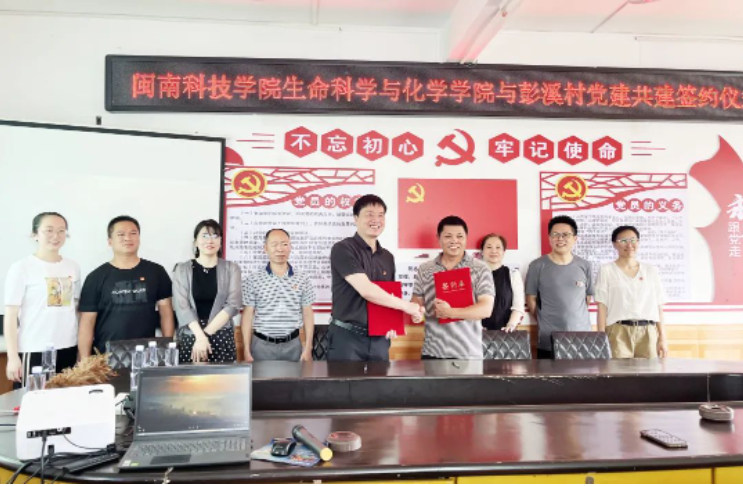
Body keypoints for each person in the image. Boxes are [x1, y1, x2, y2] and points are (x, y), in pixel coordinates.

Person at [328, 194, 424, 361]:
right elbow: (367, 290)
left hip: (380, 340)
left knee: (380, 379)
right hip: (347, 338)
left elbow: (387, 296)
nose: (376, 220)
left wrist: (392, 323)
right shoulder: (343, 249)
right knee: (344, 380)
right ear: (356, 218)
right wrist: (407, 307)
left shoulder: (387, 257)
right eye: (370, 214)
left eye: (381, 215)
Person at [78, 216, 174, 358]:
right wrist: (85, 361)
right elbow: (87, 321)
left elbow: (166, 312)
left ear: (139, 238)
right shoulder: (95, 277)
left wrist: (167, 349)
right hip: (105, 356)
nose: (128, 238)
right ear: (110, 241)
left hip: (146, 354)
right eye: (121, 234)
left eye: (133, 233)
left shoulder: (156, 272)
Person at [4, 212, 80, 386]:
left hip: (68, 346)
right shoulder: (21, 268)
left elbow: (75, 309)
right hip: (34, 348)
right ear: (35, 234)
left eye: (61, 231)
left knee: (67, 398)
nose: (56, 236)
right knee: (33, 398)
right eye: (49, 230)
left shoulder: (73, 267)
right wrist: (13, 356)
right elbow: (11, 315)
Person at [411, 216, 495, 359]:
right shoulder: (425, 269)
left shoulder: (480, 268)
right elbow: (416, 300)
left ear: (466, 238)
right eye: (448, 236)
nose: (454, 241)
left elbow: (486, 309)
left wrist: (450, 312)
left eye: (460, 236)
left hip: (468, 354)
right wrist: (416, 311)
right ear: (438, 238)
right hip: (433, 351)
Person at [172, 220, 242, 363]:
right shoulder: (182, 269)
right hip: (191, 334)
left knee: (223, 378)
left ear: (220, 242)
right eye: (204, 236)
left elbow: (233, 305)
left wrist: (204, 336)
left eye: (215, 236)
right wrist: (200, 337)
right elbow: (182, 306)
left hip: (221, 335)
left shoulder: (232, 268)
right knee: (190, 377)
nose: (210, 240)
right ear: (195, 242)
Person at [525, 215, 593, 359]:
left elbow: (587, 298)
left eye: (565, 234)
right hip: (548, 338)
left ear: (575, 238)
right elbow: (531, 299)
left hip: (581, 338)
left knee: (583, 373)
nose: (560, 238)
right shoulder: (537, 266)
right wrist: (545, 320)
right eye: (555, 234)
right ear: (549, 238)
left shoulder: (585, 266)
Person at [241, 229, 315, 362]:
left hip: (293, 345)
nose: (280, 249)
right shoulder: (252, 279)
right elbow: (247, 315)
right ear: (266, 248)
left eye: (284, 244)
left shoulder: (302, 279)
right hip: (262, 346)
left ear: (290, 247)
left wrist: (308, 347)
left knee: (294, 377)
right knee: (260, 377)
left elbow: (308, 313)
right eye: (274, 244)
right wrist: (246, 350)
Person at [595, 225, 668, 358]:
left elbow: (659, 306)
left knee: (650, 370)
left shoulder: (651, 270)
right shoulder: (606, 270)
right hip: (618, 332)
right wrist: (601, 338)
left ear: (638, 242)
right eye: (623, 240)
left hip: (648, 332)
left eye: (633, 240)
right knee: (617, 370)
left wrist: (662, 338)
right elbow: (602, 306)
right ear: (614, 244)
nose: (629, 244)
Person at [479, 234, 525, 332]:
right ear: (482, 251)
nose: (493, 251)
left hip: (505, 333)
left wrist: (511, 325)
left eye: (498, 247)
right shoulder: (475, 275)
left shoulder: (513, 274)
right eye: (489, 247)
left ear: (504, 251)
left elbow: (518, 306)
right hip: (477, 333)